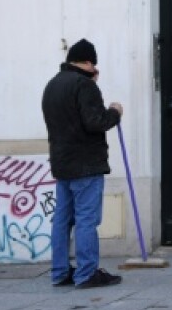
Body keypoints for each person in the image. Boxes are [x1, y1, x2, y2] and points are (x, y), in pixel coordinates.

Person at [41, 38, 124, 289]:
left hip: (62, 162)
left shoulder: (52, 85)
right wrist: (115, 112)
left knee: (62, 219)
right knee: (87, 219)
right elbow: (95, 122)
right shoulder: (84, 85)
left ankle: (60, 271)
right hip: (86, 164)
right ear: (88, 63)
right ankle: (87, 273)